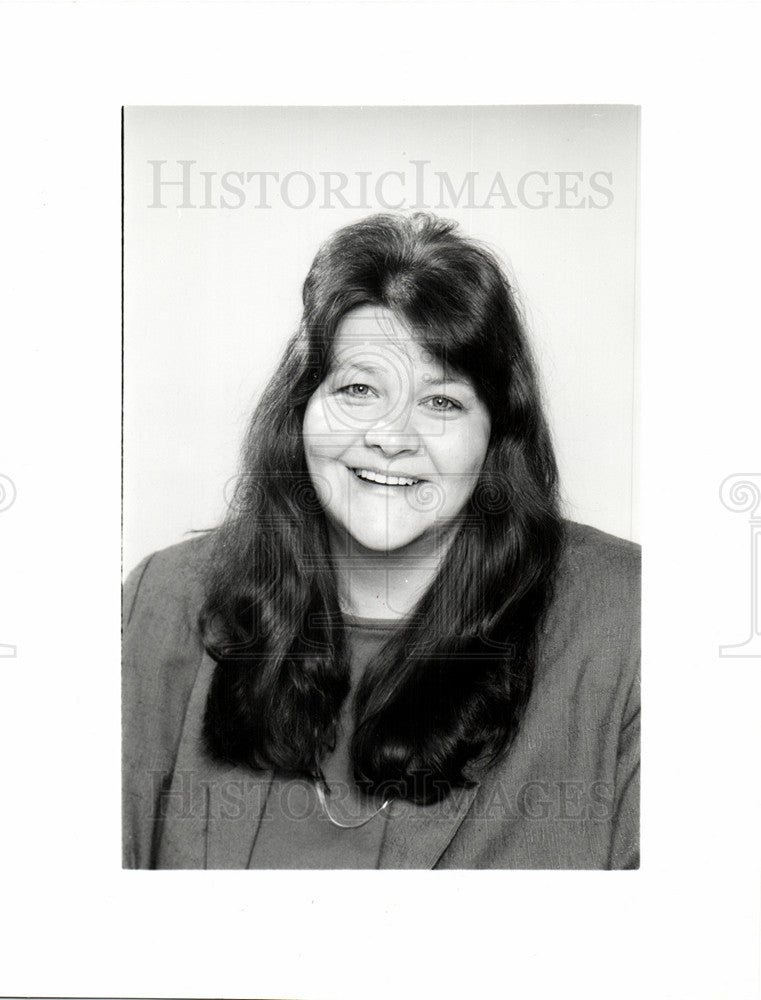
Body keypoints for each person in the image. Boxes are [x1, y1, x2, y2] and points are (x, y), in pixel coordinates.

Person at [123, 212, 640, 869]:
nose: (391, 437)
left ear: (495, 438)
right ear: (302, 408)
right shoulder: (160, 601)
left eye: (441, 402)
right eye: (358, 389)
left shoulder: (630, 619)